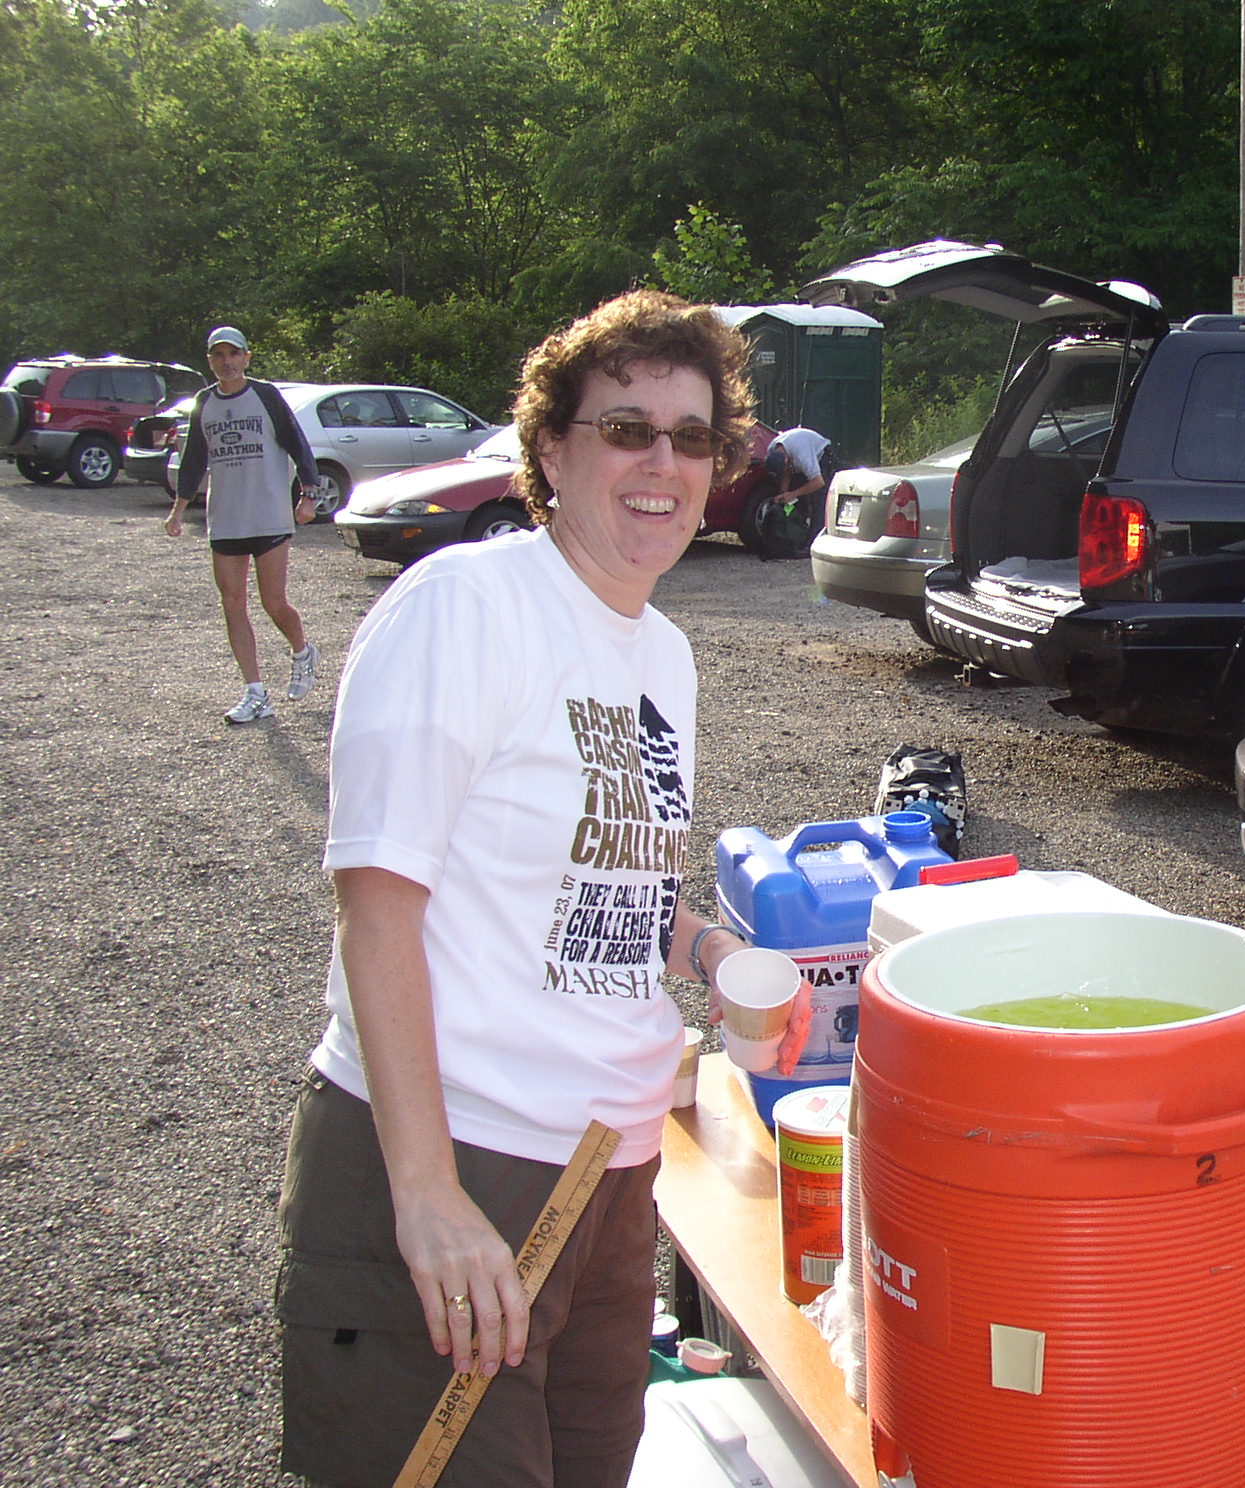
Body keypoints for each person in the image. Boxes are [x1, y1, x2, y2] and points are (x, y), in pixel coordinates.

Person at [276, 290, 781, 1488]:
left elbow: (608, 876)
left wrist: (712, 955)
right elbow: (378, 903)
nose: (662, 461)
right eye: (625, 429)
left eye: (693, 436)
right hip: (461, 1151)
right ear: (551, 451)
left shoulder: (661, 652)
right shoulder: (467, 606)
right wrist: (427, 1197)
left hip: (608, 1170)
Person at [165, 325, 323, 724]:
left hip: (268, 513)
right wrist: (179, 509)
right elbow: (194, 460)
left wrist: (309, 494)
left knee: (273, 603)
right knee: (232, 602)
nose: (227, 362)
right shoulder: (204, 402)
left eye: (233, 355)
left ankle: (302, 652)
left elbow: (297, 444)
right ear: (210, 362)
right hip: (226, 518)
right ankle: (255, 692)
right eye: (219, 356)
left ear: (246, 358)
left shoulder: (265, 396)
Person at [754, 424, 837, 557]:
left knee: (818, 503)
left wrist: (793, 494)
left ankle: (813, 545)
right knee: (795, 502)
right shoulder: (773, 449)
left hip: (820, 456)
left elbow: (818, 482)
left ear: (787, 458)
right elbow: (787, 472)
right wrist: (783, 494)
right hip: (797, 454)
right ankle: (796, 537)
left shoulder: (802, 456)